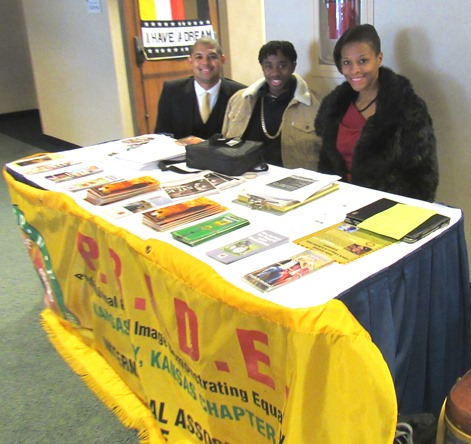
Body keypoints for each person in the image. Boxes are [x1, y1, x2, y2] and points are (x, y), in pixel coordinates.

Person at [315, 24, 438, 202]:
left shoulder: (407, 108)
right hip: (337, 205)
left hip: (387, 212)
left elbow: (423, 178)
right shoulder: (334, 108)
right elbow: (326, 166)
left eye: (363, 61)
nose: (355, 70)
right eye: (347, 62)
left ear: (379, 59)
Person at [221, 41, 321, 170]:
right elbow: (224, 144)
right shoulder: (239, 100)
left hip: (294, 183)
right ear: (262, 67)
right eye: (269, 66)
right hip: (246, 178)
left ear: (293, 66)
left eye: (282, 66)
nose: (275, 73)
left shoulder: (316, 105)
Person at [154, 37, 246, 140]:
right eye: (199, 57)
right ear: (190, 61)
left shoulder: (240, 94)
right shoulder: (172, 91)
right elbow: (161, 136)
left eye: (212, 56)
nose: (205, 62)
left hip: (225, 156)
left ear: (222, 60)